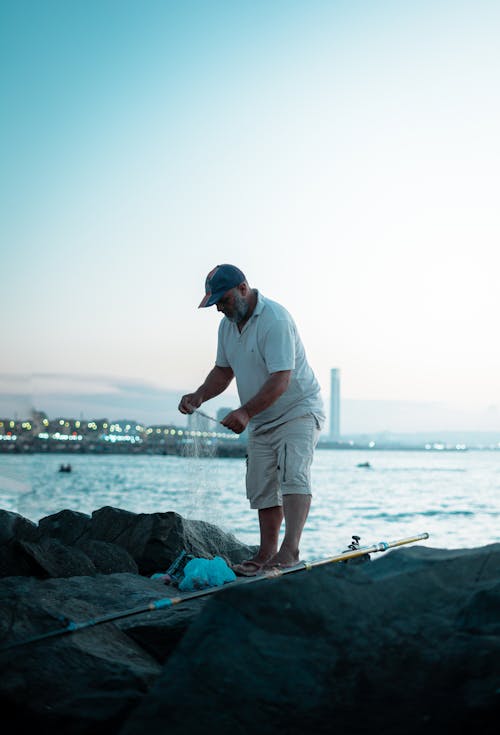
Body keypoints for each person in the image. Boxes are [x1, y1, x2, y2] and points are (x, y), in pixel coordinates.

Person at [178, 264, 325, 576]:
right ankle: (265, 552)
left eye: (224, 299)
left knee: (293, 474)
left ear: (243, 288)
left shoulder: (275, 320)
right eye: (215, 302)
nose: (219, 307)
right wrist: (199, 396)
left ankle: (290, 550)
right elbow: (223, 371)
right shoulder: (227, 326)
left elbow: (281, 379)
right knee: (261, 483)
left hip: (298, 409)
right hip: (262, 416)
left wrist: (245, 412)